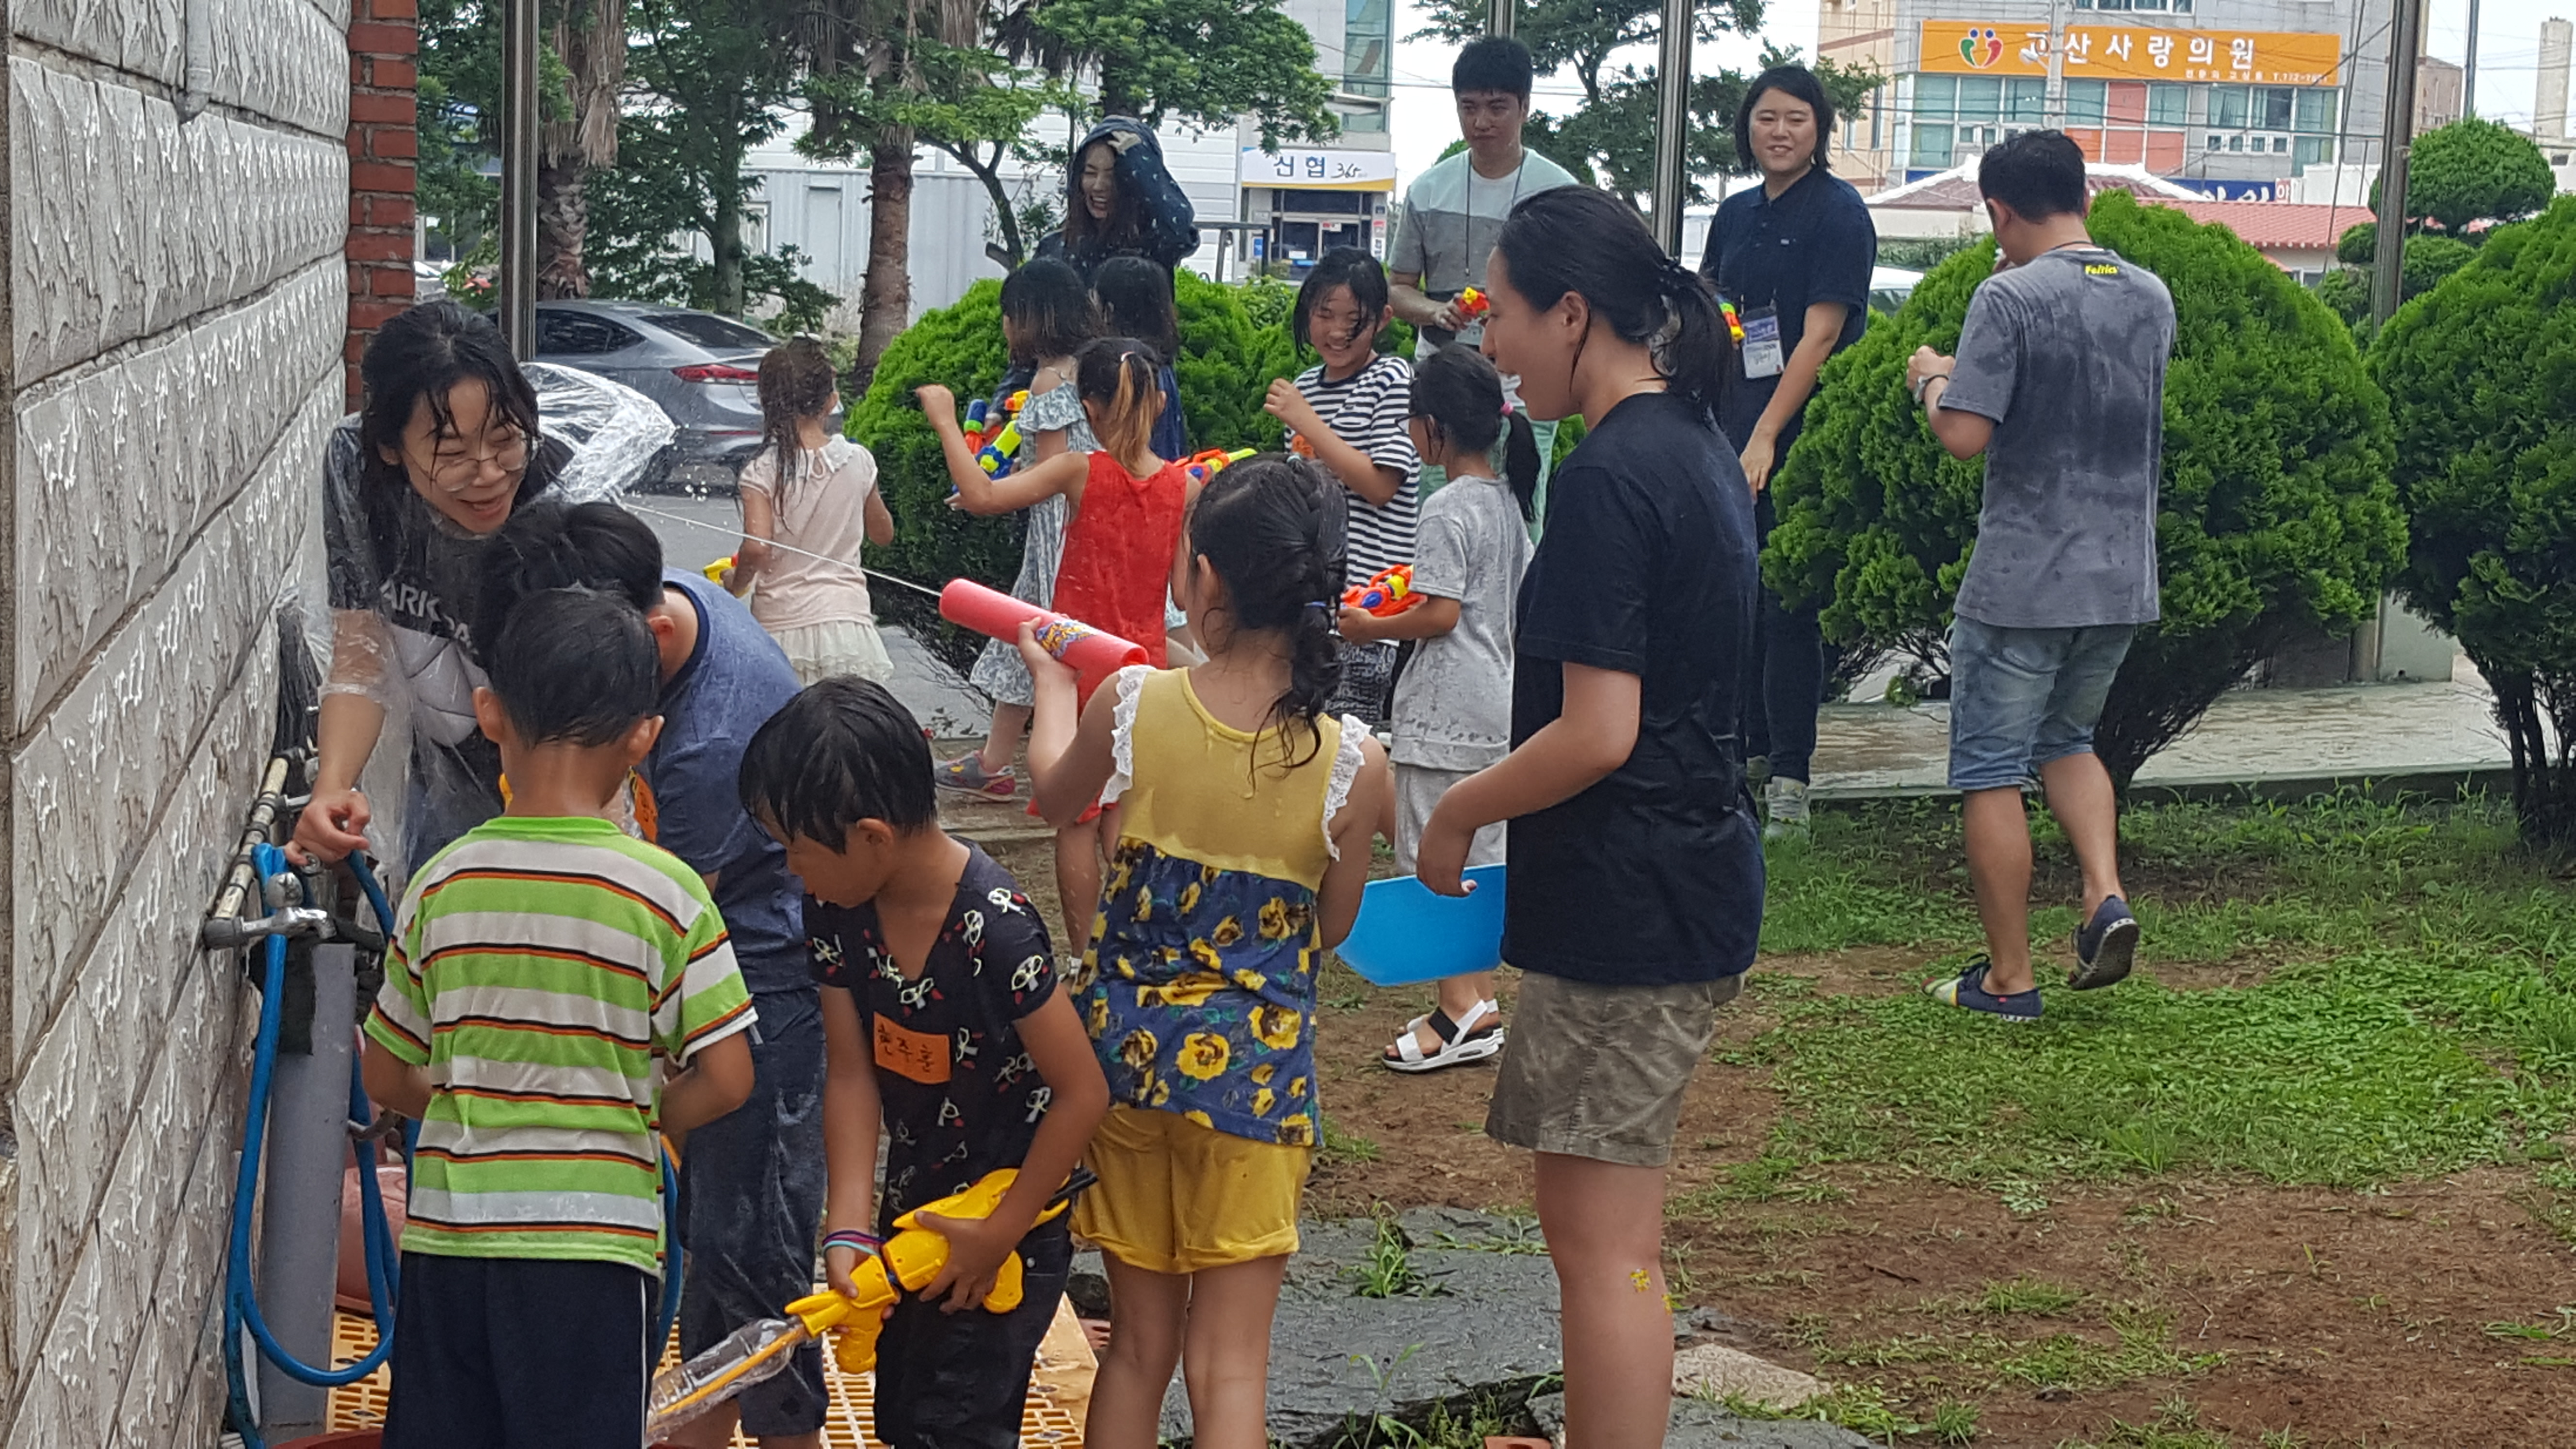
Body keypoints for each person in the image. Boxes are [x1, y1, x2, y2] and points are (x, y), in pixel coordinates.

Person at [1416, 187, 1762, 1449]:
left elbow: (1599, 730)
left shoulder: (1617, 476)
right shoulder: (1692, 444)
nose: (1491, 344)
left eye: (1502, 314)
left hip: (1634, 902)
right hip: (1677, 880)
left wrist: (1457, 810)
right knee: (1604, 1238)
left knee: (1604, 1245)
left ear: (1573, 313)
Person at [1019, 456, 1392, 1449]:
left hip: (1127, 1070)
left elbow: (1056, 799)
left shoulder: (1135, 704)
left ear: (1207, 579)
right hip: (1257, 1089)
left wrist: (1055, 682)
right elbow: (1332, 926)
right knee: (1229, 1369)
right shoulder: (1355, 763)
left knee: (1137, 1351)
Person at [362, 585, 758, 1449]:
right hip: (595, 1250)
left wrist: (481, 1091)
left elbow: (386, 1073)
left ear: (490, 710)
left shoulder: (442, 882)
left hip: (453, 1242)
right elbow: (729, 1077)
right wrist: (633, 1108)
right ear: (643, 735)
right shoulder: (668, 893)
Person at [473, 503, 827, 1449]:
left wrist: (599, 1117)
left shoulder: (712, 744)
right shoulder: (675, 613)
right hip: (714, 940)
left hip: (761, 968)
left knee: (749, 1240)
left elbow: (645, 933)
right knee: (714, 1235)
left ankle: (785, 1432)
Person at [738, 678, 1111, 1449]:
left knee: (957, 1423)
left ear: (871, 837)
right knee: (904, 1415)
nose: (791, 871)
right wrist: (847, 1226)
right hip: (912, 1217)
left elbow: (1083, 1093)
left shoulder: (996, 930)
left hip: (1008, 1220)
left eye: (797, 850)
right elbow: (850, 1070)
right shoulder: (838, 910)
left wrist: (1001, 1232)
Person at [1904, 130, 2170, 1022]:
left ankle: (2009, 978)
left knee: (1990, 768)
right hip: (2120, 573)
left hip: (2022, 579)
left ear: (2000, 210)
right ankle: (2103, 892)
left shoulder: (2007, 296)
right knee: (2069, 741)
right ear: (2084, 195)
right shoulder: (2151, 297)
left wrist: (1931, 378)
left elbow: (1963, 434)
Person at [918, 340, 1193, 959]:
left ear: (1088, 410)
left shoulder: (1079, 470)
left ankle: (1083, 957)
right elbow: (1181, 592)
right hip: (1142, 671)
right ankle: (1138, 945)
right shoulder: (1183, 488)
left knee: (1077, 818)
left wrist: (943, 419)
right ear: (1156, 402)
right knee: (1127, 814)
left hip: (1077, 674)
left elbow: (986, 498)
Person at [297, 301, 573, 869]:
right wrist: (332, 788)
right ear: (391, 448)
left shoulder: (561, 487)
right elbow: (360, 655)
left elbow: (594, 697)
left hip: (569, 787)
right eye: (452, 454)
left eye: (505, 439)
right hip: (446, 778)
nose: (490, 474)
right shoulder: (357, 472)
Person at [1340, 345, 1536, 1073]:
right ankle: (1475, 1000)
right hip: (1499, 701)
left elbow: (1442, 613)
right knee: (1482, 859)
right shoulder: (1510, 500)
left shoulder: (1446, 505)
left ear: (1432, 430)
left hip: (1446, 706)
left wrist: (1370, 627)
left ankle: (1461, 1009)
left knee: (1435, 857)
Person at [1699, 64, 1877, 839]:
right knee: (1731, 598)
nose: (1778, 131)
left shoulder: (1839, 214)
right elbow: (1713, 312)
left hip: (1800, 432)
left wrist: (1769, 432)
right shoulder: (1735, 214)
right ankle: (1734, 758)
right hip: (1729, 425)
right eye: (1766, 118)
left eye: (1796, 119)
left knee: (1788, 604)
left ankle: (1791, 782)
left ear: (1821, 130)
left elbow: (1823, 333)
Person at [1386, 36, 1579, 521]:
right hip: (1445, 378)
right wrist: (1436, 311)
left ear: (1525, 107)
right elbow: (1397, 286)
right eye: (1468, 107)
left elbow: (1575, 294)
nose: (1481, 121)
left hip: (1525, 380)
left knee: (1522, 517)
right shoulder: (1427, 189)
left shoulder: (1557, 192)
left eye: (1497, 107)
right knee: (1438, 513)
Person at [940, 260, 1101, 802]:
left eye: (1010, 315)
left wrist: (987, 492)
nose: (1006, 328)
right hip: (1095, 525)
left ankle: (1005, 761)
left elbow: (1050, 477)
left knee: (1035, 638)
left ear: (1032, 318)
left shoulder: (1051, 378)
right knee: (1027, 640)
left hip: (1059, 539)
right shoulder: (1093, 368)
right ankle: (993, 759)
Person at [1263, 248, 1421, 724]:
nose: (1335, 332)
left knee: (1351, 745)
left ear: (1383, 320)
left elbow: (1379, 486)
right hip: (1311, 607)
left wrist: (1308, 426)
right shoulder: (1307, 386)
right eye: (1323, 314)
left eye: (1353, 319)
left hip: (1370, 613)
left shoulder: (1391, 378)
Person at [732, 337, 896, 685]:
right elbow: (883, 535)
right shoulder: (859, 461)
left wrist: (735, 583)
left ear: (766, 403)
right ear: (831, 401)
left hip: (782, 626)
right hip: (846, 625)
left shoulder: (762, 471)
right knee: (849, 728)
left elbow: (757, 547)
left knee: (791, 730)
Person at [1035, 118, 1202, 284]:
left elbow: (1179, 231)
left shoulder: (1154, 245)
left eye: (1114, 176)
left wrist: (1140, 161)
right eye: (1090, 173)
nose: (1099, 186)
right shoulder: (1054, 248)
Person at [1094, 255, 1191, 462]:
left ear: (1110, 310)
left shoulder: (1125, 369)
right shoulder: (1160, 365)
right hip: (1167, 475)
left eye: (1095, 299)